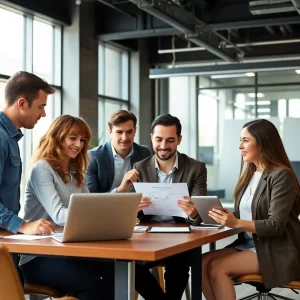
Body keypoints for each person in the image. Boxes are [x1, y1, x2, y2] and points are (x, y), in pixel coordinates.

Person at [202, 119, 300, 300]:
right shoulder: (250, 174)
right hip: (250, 243)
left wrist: (236, 222)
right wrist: (225, 215)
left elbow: (276, 224)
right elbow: (250, 214)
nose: (240, 146)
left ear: (262, 143)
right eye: (240, 140)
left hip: (275, 249)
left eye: (245, 140)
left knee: (217, 267)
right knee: (202, 262)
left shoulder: (281, 175)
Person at [19, 115, 113, 300]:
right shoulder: (42, 168)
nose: (78, 144)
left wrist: (115, 214)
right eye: (73, 138)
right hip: (36, 256)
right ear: (58, 137)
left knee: (115, 269)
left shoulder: (74, 171)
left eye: (82, 140)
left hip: (65, 249)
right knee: (91, 284)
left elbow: (91, 206)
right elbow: (59, 215)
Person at [128, 113, 207, 300]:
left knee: (179, 264)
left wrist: (194, 212)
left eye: (170, 140)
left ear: (179, 139)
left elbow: (201, 213)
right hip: (146, 236)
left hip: (180, 236)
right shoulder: (139, 166)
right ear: (151, 138)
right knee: (128, 264)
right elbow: (131, 212)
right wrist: (134, 209)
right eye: (159, 139)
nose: (163, 146)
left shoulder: (196, 168)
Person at [0, 71, 55, 279]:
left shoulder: (10, 138)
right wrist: (22, 225)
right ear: (22, 103)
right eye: (41, 106)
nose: (43, 114)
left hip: (7, 241)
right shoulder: (1, 138)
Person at [87, 110, 151, 193]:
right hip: (104, 205)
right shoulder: (94, 156)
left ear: (135, 131)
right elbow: (91, 197)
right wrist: (121, 188)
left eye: (129, 132)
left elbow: (148, 187)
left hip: (134, 204)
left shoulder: (144, 153)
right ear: (110, 132)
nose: (124, 138)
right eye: (119, 132)